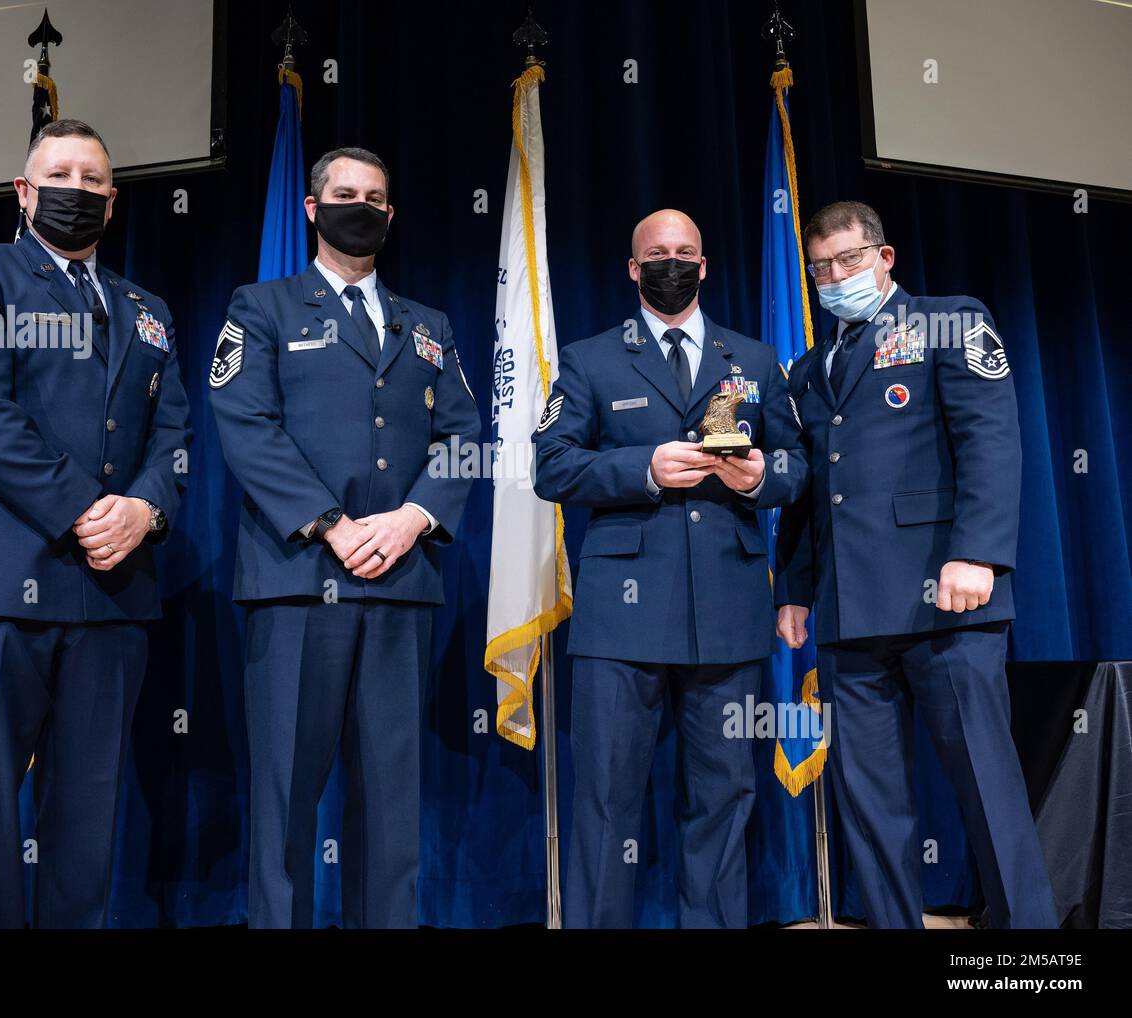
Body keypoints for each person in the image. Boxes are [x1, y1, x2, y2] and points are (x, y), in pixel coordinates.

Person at [0, 119, 191, 928]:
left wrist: (145, 510)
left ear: (112, 198)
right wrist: (86, 510)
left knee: (88, 821)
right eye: (59, 174)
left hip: (112, 591)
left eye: (93, 178)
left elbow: (174, 437)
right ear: (25, 193)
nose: (78, 188)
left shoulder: (148, 309)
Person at [209, 147, 481, 928]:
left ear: (390, 217)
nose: (360, 205)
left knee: (392, 798)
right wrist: (332, 525)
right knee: (287, 790)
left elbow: (464, 435)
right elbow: (246, 428)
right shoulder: (261, 308)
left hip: (400, 581)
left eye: (375, 197)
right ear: (312, 208)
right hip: (297, 579)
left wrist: (411, 519)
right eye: (345, 193)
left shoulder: (427, 326)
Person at [774, 199, 1057, 928]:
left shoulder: (949, 321)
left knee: (986, 789)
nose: (835, 276)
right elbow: (811, 491)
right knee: (871, 808)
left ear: (885, 257)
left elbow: (991, 439)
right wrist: (797, 590)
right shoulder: (807, 369)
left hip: (949, 599)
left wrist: (979, 553)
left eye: (849, 260)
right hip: (849, 611)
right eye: (821, 267)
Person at [531, 209, 807, 928]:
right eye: (657, 253)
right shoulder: (590, 359)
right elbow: (551, 465)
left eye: (686, 251)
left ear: (706, 265)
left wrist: (757, 480)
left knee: (723, 798)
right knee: (604, 802)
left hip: (729, 612)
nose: (672, 262)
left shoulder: (752, 358)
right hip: (620, 622)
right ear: (634, 269)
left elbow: (799, 467)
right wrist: (642, 468)